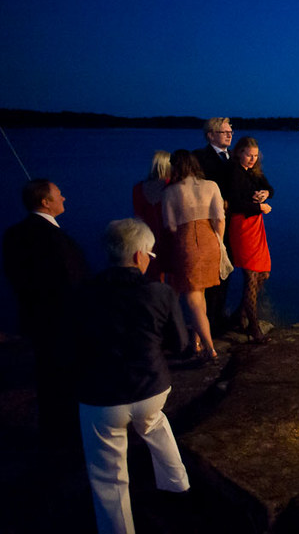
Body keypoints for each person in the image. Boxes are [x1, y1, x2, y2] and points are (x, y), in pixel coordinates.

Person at [75, 218, 190, 534]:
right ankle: (178, 487)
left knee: (108, 473)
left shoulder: (82, 292)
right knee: (154, 422)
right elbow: (180, 344)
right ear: (140, 255)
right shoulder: (159, 292)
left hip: (103, 397)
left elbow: (70, 342)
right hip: (152, 389)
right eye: (150, 255)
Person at [2, 179, 90, 461]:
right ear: (45, 202)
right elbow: (74, 280)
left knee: (45, 376)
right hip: (63, 320)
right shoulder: (57, 240)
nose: (63, 197)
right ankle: (68, 437)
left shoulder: (13, 234)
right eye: (58, 195)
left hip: (33, 317)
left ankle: (51, 433)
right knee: (67, 378)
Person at [162, 150, 224, 361]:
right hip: (210, 240)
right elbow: (219, 218)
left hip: (187, 242)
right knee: (200, 294)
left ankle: (209, 348)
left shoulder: (171, 191)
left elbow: (169, 225)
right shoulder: (211, 185)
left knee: (193, 297)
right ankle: (195, 343)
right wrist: (219, 242)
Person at [227, 136, 274, 343]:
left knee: (263, 273)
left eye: (255, 155)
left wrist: (265, 194)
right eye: (249, 155)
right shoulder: (234, 172)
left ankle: (240, 314)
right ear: (239, 153)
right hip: (242, 225)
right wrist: (259, 207)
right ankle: (253, 327)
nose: (252, 159)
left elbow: (270, 188)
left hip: (256, 226)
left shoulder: (255, 171)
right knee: (251, 275)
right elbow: (236, 202)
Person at [192, 117, 233, 335]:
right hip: (209, 223)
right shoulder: (199, 158)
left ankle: (220, 316)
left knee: (227, 269)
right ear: (210, 135)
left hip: (233, 221)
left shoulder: (234, 156)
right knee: (211, 272)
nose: (229, 134)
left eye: (230, 131)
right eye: (224, 131)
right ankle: (209, 321)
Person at [131, 150, 171, 280]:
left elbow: (138, 217)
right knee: (173, 279)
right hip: (169, 236)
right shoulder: (172, 187)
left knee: (154, 277)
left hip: (147, 238)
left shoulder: (138, 188)